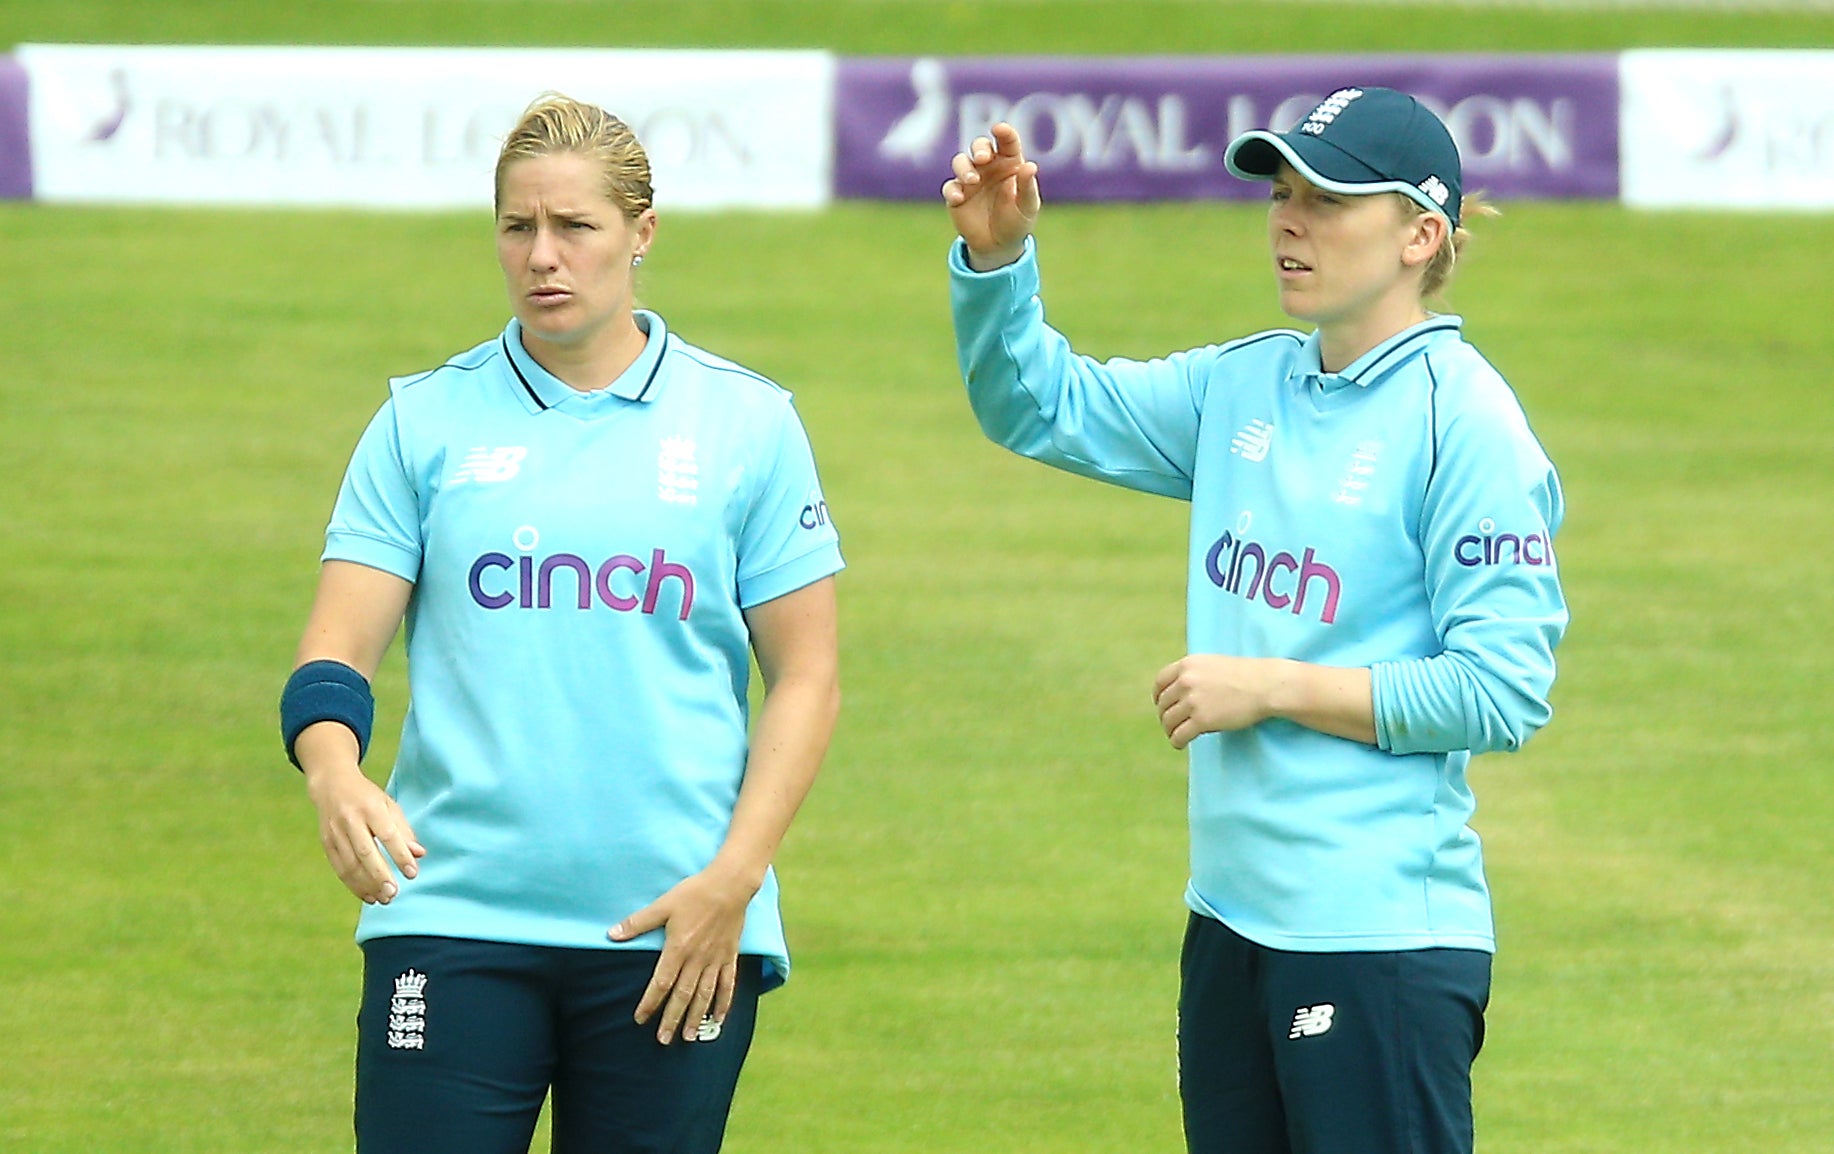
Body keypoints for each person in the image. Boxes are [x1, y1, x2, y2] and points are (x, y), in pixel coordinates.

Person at [942, 87, 1567, 1154]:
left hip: (1377, 942)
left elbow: (1500, 687)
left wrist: (1270, 685)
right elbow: (1038, 406)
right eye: (1281, 193)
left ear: (1421, 234)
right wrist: (999, 268)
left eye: (1325, 199)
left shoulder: (1463, 421)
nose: (1286, 220)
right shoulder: (1245, 385)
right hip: (1229, 924)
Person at [279, 92, 843, 1154]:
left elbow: (806, 676)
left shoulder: (748, 426)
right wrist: (332, 770)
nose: (543, 256)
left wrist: (735, 879)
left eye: (574, 227)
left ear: (642, 233)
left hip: (676, 925)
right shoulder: (423, 420)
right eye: (517, 226)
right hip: (451, 918)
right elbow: (333, 650)